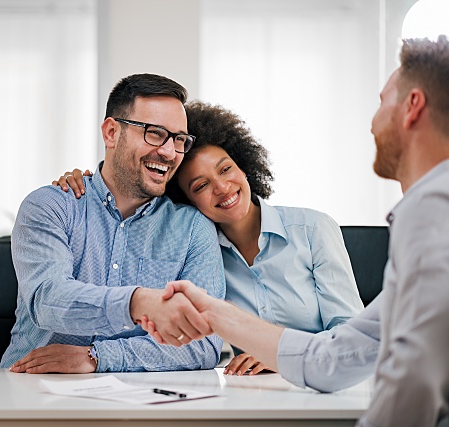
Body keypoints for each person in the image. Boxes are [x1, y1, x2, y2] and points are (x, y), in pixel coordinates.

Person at [144, 36, 449, 427]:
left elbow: (413, 386)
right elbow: (335, 360)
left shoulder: (431, 211)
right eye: (200, 185)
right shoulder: (421, 214)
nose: (371, 123)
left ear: (413, 107)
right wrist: (211, 310)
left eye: (381, 102)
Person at [54, 101, 364, 376]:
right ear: (188, 201)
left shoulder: (312, 229)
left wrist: (282, 355)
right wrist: (90, 190)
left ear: (244, 166)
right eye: (201, 185)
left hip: (330, 381)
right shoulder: (199, 250)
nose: (222, 187)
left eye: (226, 169)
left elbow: (353, 336)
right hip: (254, 394)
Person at [0, 73, 226, 374]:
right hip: (33, 392)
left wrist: (98, 357)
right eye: (155, 133)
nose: (170, 152)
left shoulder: (193, 229)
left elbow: (202, 344)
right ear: (110, 133)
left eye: (179, 140)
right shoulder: (51, 206)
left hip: (141, 407)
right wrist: (138, 303)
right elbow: (48, 301)